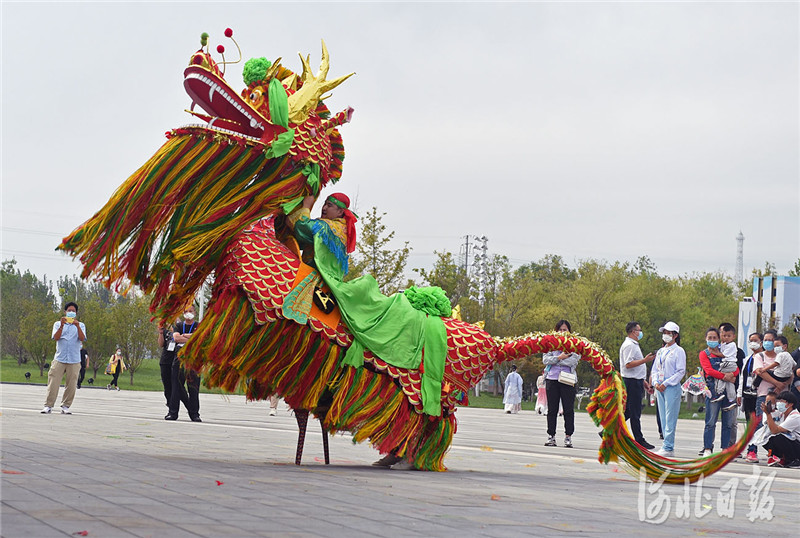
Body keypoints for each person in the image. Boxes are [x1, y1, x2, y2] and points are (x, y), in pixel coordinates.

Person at [699, 327, 739, 456]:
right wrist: (725, 376)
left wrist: (732, 374)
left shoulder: (727, 351)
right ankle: (707, 448)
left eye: (714, 338)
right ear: (706, 339)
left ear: (719, 338)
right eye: (709, 338)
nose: (712, 340)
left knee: (728, 422)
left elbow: (736, 367)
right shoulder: (704, 354)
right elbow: (708, 370)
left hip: (728, 391)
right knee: (711, 421)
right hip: (713, 391)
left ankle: (725, 449)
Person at [42, 302, 87, 414]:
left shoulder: (81, 325)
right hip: (60, 358)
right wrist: (62, 325)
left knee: (71, 384)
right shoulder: (57, 324)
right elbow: (56, 337)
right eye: (69, 310)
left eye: (73, 311)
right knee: (53, 382)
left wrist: (76, 326)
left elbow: (82, 338)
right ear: (65, 312)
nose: (71, 313)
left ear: (76, 313)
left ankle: (66, 406)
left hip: (74, 359)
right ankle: (48, 405)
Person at [650, 321, 686, 458]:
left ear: (675, 335)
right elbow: (655, 369)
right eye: (664, 333)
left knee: (670, 417)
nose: (665, 335)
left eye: (668, 333)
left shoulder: (679, 351)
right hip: (660, 387)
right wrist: (655, 382)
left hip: (671, 387)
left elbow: (680, 371)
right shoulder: (660, 351)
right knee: (663, 416)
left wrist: (666, 382)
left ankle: (669, 446)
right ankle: (666, 444)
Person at [542, 320, 580, 448]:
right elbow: (545, 359)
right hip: (552, 379)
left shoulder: (575, 344)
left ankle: (568, 436)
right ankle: (551, 436)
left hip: (568, 379)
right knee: (552, 410)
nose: (562, 332)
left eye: (565, 329)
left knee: (568, 409)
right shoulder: (550, 343)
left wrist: (557, 361)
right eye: (560, 329)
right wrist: (560, 357)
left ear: (569, 331)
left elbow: (573, 361)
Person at [619, 321, 656, 449]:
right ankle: (639, 439)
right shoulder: (630, 345)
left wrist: (643, 381)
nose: (640, 333)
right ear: (633, 331)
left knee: (629, 411)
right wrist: (645, 360)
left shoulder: (633, 344)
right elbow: (628, 364)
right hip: (631, 382)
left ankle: (609, 430)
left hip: (636, 381)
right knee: (635, 412)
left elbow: (635, 368)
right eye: (639, 330)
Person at [744, 330, 779, 463]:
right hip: (763, 394)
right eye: (765, 340)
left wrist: (769, 374)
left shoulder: (781, 356)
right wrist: (776, 381)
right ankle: (752, 451)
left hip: (778, 396)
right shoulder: (760, 356)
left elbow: (788, 373)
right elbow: (759, 373)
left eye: (770, 340)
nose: (767, 342)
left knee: (775, 425)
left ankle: (774, 453)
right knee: (759, 423)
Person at [166, 305, 201, 422]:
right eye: (186, 311)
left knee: (193, 387)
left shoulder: (198, 326)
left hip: (194, 358)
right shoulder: (179, 325)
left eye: (190, 311)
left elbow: (199, 337)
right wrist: (190, 338)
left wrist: (185, 336)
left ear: (194, 313)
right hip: (179, 356)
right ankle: (173, 413)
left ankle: (194, 414)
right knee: (176, 386)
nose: (188, 313)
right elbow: (176, 338)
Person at [761, 391, 800, 467]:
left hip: (797, 445)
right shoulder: (782, 414)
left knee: (778, 438)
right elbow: (766, 421)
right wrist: (769, 410)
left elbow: (775, 430)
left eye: (782, 401)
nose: (779, 403)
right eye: (778, 401)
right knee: (765, 440)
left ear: (790, 404)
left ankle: (793, 460)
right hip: (793, 443)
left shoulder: (795, 416)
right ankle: (780, 457)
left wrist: (768, 414)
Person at [737, 332, 763, 431]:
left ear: (761, 342)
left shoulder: (763, 357)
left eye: (755, 341)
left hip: (759, 393)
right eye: (751, 341)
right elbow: (742, 377)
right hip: (747, 393)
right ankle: (752, 444)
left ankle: (758, 442)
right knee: (749, 419)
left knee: (759, 420)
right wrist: (739, 393)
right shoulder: (748, 358)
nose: (753, 343)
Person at [710, 323, 739, 410]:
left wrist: (712, 352)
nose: (726, 337)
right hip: (730, 365)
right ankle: (731, 399)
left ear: (733, 336)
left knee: (719, 373)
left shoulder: (732, 345)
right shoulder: (724, 344)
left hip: (729, 363)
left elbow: (723, 355)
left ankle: (719, 392)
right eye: (724, 335)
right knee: (729, 382)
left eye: (728, 336)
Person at [157, 320, 177, 407]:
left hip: (176, 360)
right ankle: (170, 403)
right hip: (165, 361)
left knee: (176, 385)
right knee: (167, 384)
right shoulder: (165, 329)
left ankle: (180, 404)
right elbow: (161, 344)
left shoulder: (179, 327)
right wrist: (161, 333)